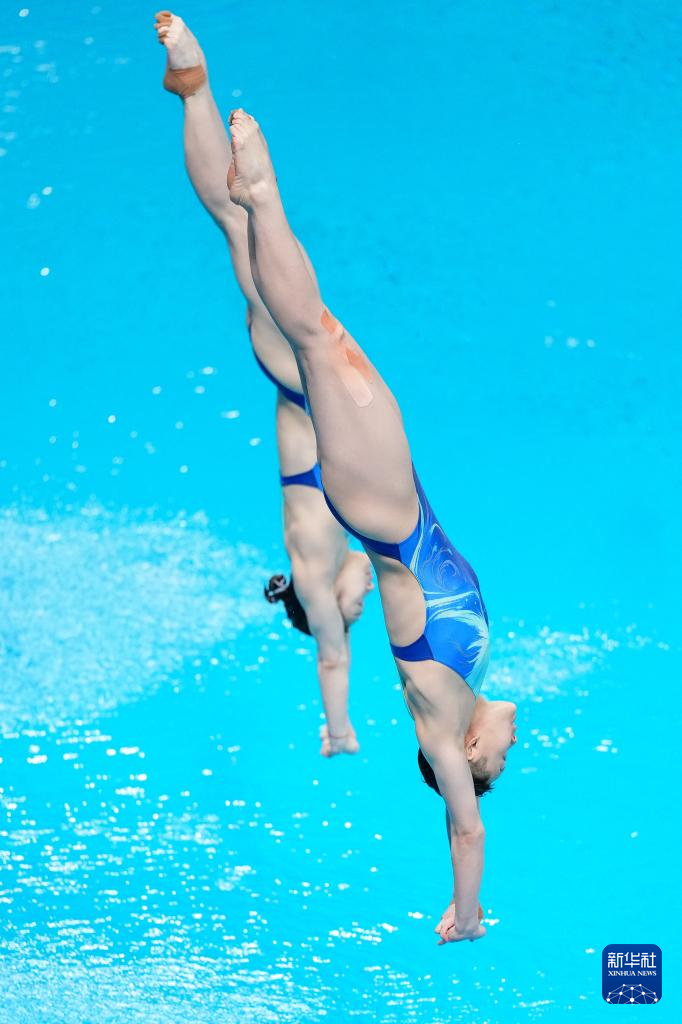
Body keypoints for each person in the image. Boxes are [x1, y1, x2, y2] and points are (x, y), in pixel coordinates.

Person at [223, 107, 519, 945]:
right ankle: (254, 205)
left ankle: (260, 197)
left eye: (499, 766)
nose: (508, 753)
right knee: (320, 335)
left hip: (383, 508)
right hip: (394, 495)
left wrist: (467, 912)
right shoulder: (462, 687)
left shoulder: (441, 722)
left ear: (468, 758)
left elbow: (467, 828)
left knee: (316, 340)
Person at [154, 11, 373, 758]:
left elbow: (333, 656)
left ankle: (199, 94)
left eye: (354, 610)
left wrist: (339, 728)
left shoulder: (317, 583)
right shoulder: (340, 546)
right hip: (296, 374)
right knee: (234, 220)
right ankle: (192, 89)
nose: (362, 605)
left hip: (297, 370)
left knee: (240, 216)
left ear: (323, 611)